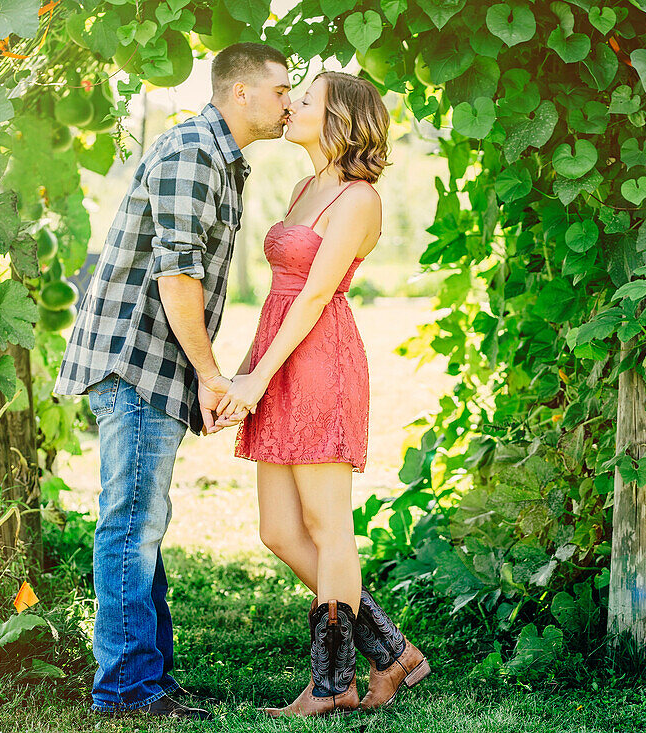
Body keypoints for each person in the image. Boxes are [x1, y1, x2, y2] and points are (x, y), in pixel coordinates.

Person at [52, 43, 291, 720]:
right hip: (135, 359)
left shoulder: (218, 156)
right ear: (240, 93)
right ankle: (126, 688)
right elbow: (177, 275)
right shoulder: (193, 152)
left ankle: (148, 674)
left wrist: (201, 374)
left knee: (143, 520)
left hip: (155, 361)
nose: (287, 102)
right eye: (280, 90)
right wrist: (211, 375)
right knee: (131, 523)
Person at [215, 71, 431, 717]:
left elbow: (313, 294)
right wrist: (249, 372)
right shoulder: (306, 186)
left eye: (303, 99)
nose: (290, 105)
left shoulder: (360, 200)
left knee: (328, 526)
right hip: (278, 358)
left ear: (338, 119)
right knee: (279, 529)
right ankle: (392, 651)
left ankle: (332, 680)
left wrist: (259, 376)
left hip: (319, 363)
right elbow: (282, 292)